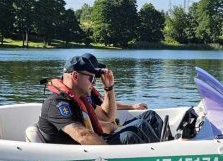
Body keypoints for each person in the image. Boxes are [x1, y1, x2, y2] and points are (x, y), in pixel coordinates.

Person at [37, 55, 165, 146]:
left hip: (90, 149)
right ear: (75, 76)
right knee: (128, 137)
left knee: (134, 130)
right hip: (77, 158)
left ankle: (162, 153)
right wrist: (109, 154)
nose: (93, 83)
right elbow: (83, 136)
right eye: (91, 78)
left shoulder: (78, 99)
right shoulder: (57, 104)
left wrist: (109, 88)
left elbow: (107, 116)